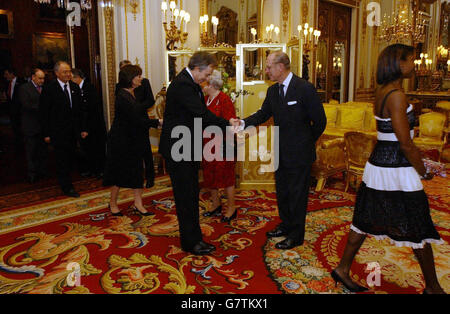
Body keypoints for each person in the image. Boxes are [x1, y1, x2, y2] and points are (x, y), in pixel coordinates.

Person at [332, 44, 445, 294]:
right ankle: (434, 287)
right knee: (417, 222)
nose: (413, 65)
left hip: (379, 163)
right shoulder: (396, 95)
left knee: (364, 219)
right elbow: (405, 142)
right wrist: (423, 170)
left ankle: (342, 268)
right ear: (398, 63)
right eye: (410, 60)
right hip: (397, 166)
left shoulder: (382, 91)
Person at [232, 52, 327, 250]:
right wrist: (242, 123)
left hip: (299, 154)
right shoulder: (273, 91)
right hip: (279, 151)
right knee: (283, 192)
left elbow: (320, 121)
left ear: (280, 67)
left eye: (268, 66)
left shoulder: (304, 88)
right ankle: (286, 225)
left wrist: (306, 142)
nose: (266, 71)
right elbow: (263, 114)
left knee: (297, 195)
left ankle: (296, 235)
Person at [159, 52, 235, 256]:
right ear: (198, 68)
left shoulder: (188, 83)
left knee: (190, 194)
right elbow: (201, 114)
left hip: (186, 146)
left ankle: (193, 237)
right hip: (179, 148)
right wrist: (227, 122)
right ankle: (191, 242)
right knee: (186, 197)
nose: (208, 78)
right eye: (207, 73)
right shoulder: (183, 85)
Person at [103, 64, 161, 216]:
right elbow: (136, 120)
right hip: (121, 141)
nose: (141, 78)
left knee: (136, 171)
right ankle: (112, 203)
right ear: (130, 79)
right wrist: (157, 123)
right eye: (138, 76)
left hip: (133, 138)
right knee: (119, 173)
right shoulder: (122, 96)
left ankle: (138, 203)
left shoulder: (131, 93)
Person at [39, 61, 88, 198]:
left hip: (73, 132)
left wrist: (83, 128)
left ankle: (68, 181)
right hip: (58, 133)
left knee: (71, 158)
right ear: (57, 73)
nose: (68, 74)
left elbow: (80, 111)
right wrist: (46, 133)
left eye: (69, 71)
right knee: (62, 160)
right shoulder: (49, 89)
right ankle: (67, 187)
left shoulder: (74, 87)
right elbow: (44, 113)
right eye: (65, 72)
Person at [201, 70, 237, 223]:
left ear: (211, 84)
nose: (202, 85)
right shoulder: (204, 100)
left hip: (223, 144)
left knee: (227, 177)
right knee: (210, 176)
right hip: (207, 144)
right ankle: (216, 204)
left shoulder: (224, 99)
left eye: (205, 83)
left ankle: (231, 207)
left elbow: (231, 123)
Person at [116, 60, 156, 188]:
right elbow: (122, 108)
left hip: (142, 120)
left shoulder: (144, 82)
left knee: (145, 150)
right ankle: (134, 179)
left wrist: (137, 107)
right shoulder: (121, 90)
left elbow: (150, 100)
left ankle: (150, 177)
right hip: (130, 125)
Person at [72, 68, 107, 178]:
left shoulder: (89, 87)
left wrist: (86, 128)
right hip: (86, 126)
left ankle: (100, 170)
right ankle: (91, 170)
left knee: (97, 149)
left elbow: (90, 111)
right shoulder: (76, 89)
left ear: (76, 77)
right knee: (88, 150)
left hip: (94, 126)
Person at [18, 68, 48, 183]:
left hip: (42, 127)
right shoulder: (24, 88)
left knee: (42, 151)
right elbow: (27, 105)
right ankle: (32, 174)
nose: (42, 81)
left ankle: (42, 171)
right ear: (33, 77)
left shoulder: (45, 88)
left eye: (43, 78)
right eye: (40, 78)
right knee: (31, 151)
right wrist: (44, 108)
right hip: (30, 126)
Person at [4, 67, 25, 146]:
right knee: (15, 130)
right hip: (11, 112)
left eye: (6, 74)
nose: (5, 76)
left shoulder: (21, 82)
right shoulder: (7, 84)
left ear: (12, 74)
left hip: (20, 112)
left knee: (21, 130)